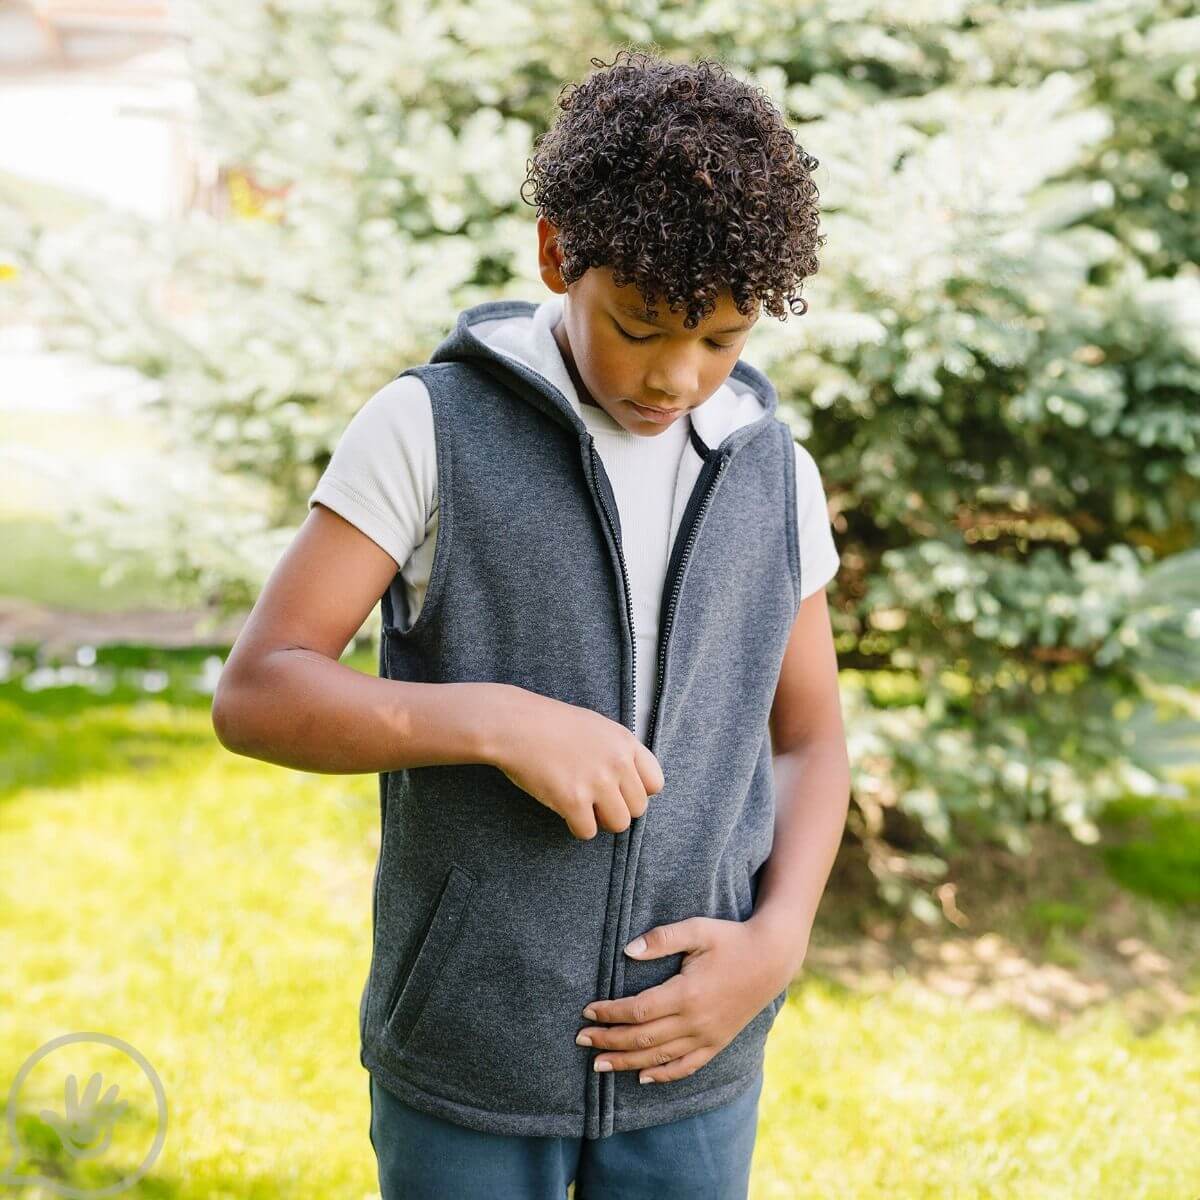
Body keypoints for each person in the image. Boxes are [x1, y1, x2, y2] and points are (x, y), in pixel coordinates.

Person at [212, 47, 851, 1200]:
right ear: (559, 254)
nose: (678, 378)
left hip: (693, 1049)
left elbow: (809, 741)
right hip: (468, 1051)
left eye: (724, 338)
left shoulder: (774, 474)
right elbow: (261, 691)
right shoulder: (428, 428)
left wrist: (776, 943)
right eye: (642, 323)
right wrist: (496, 721)